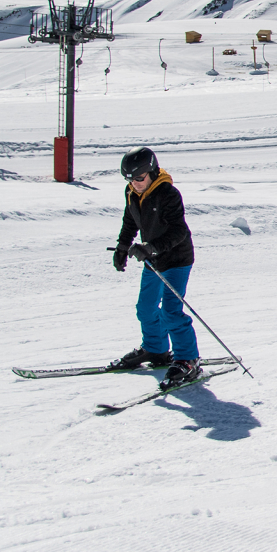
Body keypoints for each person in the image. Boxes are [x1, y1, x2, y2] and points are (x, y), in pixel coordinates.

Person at [109, 147, 202, 389]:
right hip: (154, 260)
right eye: (129, 180)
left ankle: (188, 360)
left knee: (171, 311)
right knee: (146, 307)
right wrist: (122, 248)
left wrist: (151, 247)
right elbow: (130, 220)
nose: (134, 184)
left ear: (151, 172)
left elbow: (179, 231)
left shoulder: (168, 193)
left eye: (139, 179)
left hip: (177, 259)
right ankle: (156, 350)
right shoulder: (132, 192)